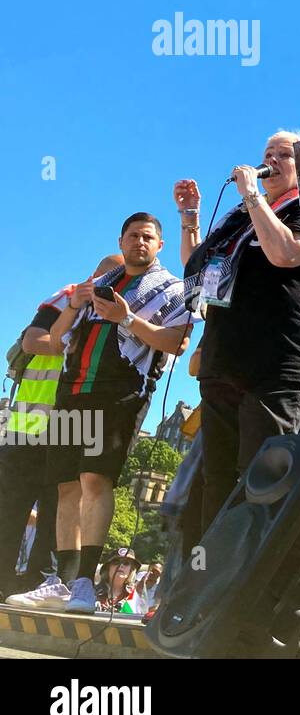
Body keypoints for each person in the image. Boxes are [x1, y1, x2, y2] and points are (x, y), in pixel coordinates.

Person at [34, 218, 193, 616]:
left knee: (94, 479)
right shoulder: (98, 284)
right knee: (65, 485)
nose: (139, 242)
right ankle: (61, 579)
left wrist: (127, 319)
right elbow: (56, 340)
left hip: (121, 392)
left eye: (148, 237)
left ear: (159, 244)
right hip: (74, 388)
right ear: (120, 241)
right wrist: (73, 305)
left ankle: (86, 581)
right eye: (132, 236)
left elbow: (177, 343)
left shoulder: (171, 288)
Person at [176, 130, 300, 531]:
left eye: (285, 154)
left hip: (277, 364)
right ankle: (205, 585)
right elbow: (198, 269)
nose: (272, 160)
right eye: (267, 153)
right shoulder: (238, 218)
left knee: (258, 480)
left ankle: (244, 587)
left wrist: (251, 196)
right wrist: (190, 217)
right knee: (215, 479)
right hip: (223, 359)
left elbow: (285, 253)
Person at [2, 256, 120, 604]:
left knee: (62, 509)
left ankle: (39, 582)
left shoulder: (126, 308)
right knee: (10, 508)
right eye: (107, 278)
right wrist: (74, 342)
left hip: (76, 421)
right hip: (32, 423)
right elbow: (32, 341)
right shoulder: (67, 296)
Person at [96, 547, 141, 613]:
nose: (121, 565)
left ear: (131, 570)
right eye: (116, 562)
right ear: (108, 568)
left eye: (126, 563)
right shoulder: (92, 592)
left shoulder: (137, 595)